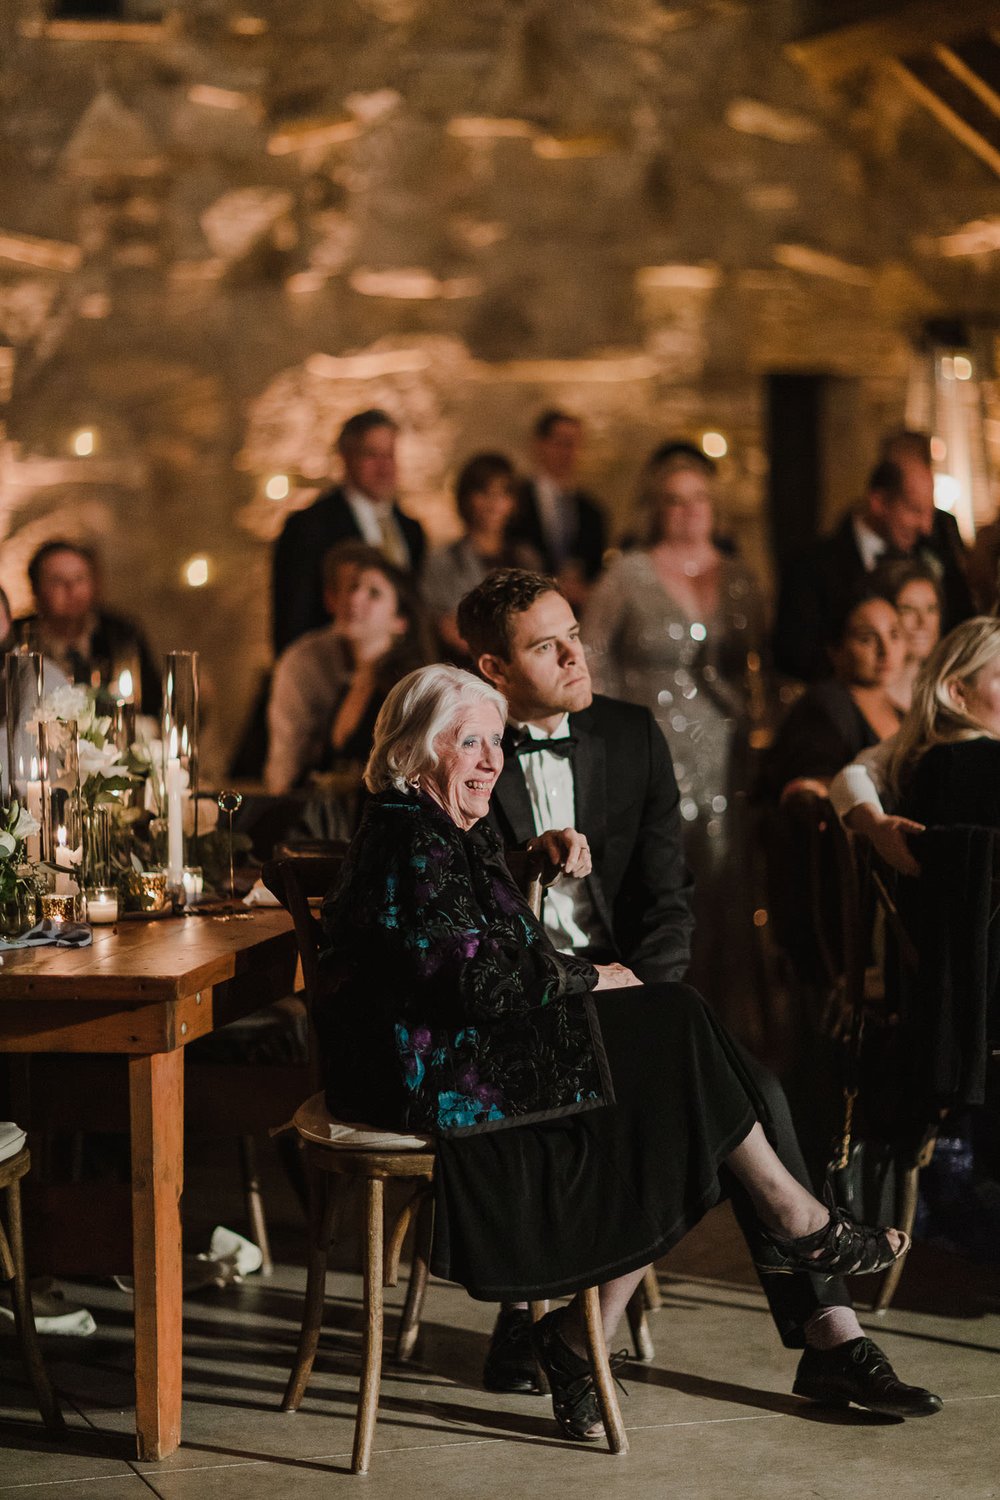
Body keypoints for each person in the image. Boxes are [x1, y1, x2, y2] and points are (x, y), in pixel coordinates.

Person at [318, 660, 919, 1444]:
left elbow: (484, 946)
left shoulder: (443, 829)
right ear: (419, 748)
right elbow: (470, 985)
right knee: (676, 1039)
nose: (493, 761)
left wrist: (531, 874)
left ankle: (591, 1331)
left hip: (461, 1052)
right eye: (472, 743)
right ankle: (793, 1225)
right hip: (432, 1075)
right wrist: (586, 976)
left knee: (681, 1078)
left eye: (498, 743)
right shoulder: (407, 836)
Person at [454, 569, 940, 1420]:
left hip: (632, 993)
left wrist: (650, 991)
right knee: (731, 1099)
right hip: (523, 1006)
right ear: (494, 669)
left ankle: (591, 1335)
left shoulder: (630, 735)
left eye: (575, 632)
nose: (577, 654)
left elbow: (666, 899)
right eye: (545, 645)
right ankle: (823, 1325)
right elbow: (465, 926)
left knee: (734, 1088)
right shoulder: (464, 748)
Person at [584, 444, 766, 1012]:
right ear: (656, 508)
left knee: (723, 879)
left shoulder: (738, 576)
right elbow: (592, 657)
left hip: (724, 747)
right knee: (661, 879)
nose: (688, 512)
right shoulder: (628, 573)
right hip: (649, 743)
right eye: (674, 501)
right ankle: (660, 1010)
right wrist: (609, 738)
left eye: (699, 500)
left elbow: (761, 661)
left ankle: (725, 1014)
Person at [773, 441, 974, 684]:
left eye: (930, 511)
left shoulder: (939, 550)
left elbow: (963, 628)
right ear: (878, 503)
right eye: (914, 510)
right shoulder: (810, 566)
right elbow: (795, 657)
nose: (926, 526)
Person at [265, 544, 433, 793]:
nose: (354, 599)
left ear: (400, 622)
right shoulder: (350, 683)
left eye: (373, 593)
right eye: (353, 587)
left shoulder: (407, 690)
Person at [271, 409, 426, 654]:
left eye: (389, 455)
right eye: (372, 455)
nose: (384, 467)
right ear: (346, 458)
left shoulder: (411, 529)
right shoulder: (308, 527)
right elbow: (293, 619)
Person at [759, 591, 904, 806]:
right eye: (866, 639)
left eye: (894, 634)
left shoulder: (901, 709)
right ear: (835, 650)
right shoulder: (824, 707)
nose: (886, 650)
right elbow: (810, 792)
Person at [15, 540, 159, 712]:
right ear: (36, 589)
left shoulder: (121, 633)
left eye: (79, 579)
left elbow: (153, 703)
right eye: (57, 581)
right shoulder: (18, 638)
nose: (71, 589)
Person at [421, 453, 539, 660]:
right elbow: (441, 625)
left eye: (503, 493)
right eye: (484, 493)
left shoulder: (527, 557)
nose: (494, 504)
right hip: (465, 668)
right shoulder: (443, 560)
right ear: (466, 498)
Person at [510, 410, 607, 607]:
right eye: (561, 443)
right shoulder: (515, 500)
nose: (568, 452)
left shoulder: (592, 512)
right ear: (539, 444)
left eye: (574, 445)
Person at [870, 559, 943, 713]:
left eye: (931, 609)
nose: (923, 622)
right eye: (908, 609)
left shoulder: (944, 695)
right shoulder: (862, 700)